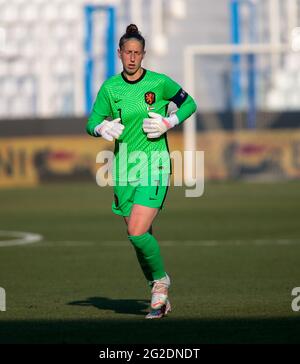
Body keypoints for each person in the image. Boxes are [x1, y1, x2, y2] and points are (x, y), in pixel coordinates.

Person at [86, 24, 197, 319]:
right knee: (139, 233)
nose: (132, 58)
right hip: (123, 170)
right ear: (119, 53)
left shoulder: (159, 83)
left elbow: (189, 103)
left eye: (137, 53)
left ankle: (160, 286)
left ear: (143, 55)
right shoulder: (110, 88)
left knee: (136, 232)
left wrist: (169, 122)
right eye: (128, 52)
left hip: (155, 165)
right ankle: (157, 292)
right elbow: (91, 121)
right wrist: (101, 127)